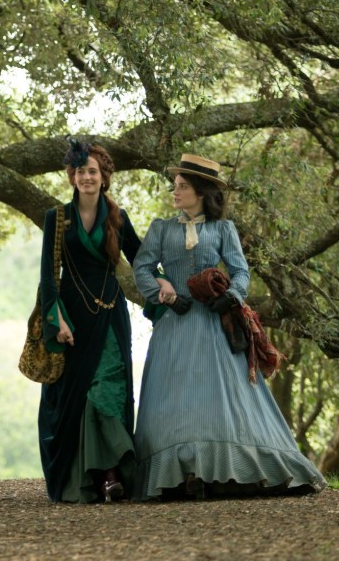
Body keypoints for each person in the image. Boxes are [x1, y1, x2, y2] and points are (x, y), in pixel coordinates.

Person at [132, 154, 327, 499]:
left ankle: (222, 472)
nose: (175, 192)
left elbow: (240, 271)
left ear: (202, 192)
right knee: (174, 399)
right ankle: (182, 474)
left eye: (183, 186)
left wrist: (233, 296)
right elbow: (143, 268)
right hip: (174, 324)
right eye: (174, 186)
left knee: (216, 398)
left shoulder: (223, 229)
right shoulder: (161, 228)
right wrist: (164, 293)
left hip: (212, 325)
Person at [37, 139, 143, 503]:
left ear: (104, 176)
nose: (86, 177)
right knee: (78, 394)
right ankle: (88, 476)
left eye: (92, 171)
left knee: (107, 388)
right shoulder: (57, 218)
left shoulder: (118, 218)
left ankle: (111, 474)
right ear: (72, 176)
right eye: (80, 171)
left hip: (111, 316)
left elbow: (141, 260)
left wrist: (164, 282)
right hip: (72, 318)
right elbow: (48, 278)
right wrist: (57, 322)